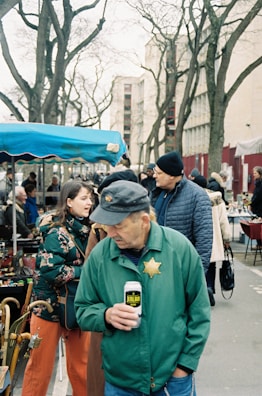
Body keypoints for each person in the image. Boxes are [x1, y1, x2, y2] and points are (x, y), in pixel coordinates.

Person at [75, 180, 210, 396]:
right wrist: (106, 315)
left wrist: (184, 366)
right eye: (106, 225)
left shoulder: (179, 249)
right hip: (120, 383)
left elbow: (200, 312)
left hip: (172, 381)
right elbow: (82, 309)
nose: (110, 233)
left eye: (118, 225)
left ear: (144, 221)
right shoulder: (99, 256)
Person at [21, 180, 93, 396]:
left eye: (90, 198)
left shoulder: (86, 227)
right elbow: (51, 271)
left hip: (75, 305)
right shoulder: (56, 232)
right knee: (39, 369)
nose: (89, 202)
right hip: (48, 309)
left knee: (82, 367)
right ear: (69, 202)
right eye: (84, 198)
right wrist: (85, 272)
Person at [151, 151, 213, 273]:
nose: (154, 176)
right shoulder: (155, 193)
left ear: (171, 175)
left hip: (180, 269)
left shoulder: (197, 195)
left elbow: (204, 240)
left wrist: (197, 275)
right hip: (153, 266)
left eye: (158, 173)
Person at [192, 177, 231, 306]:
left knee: (197, 265)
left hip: (195, 237)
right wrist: (227, 238)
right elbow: (223, 221)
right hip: (213, 237)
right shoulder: (216, 198)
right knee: (211, 264)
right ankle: (210, 288)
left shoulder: (191, 196)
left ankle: (200, 291)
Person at [250, 166, 262, 248]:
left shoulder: (260, 184)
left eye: (255, 173)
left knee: (258, 226)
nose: (253, 175)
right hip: (257, 207)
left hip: (259, 208)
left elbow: (258, 196)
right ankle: (259, 243)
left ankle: (260, 244)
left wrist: (251, 203)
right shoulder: (257, 183)